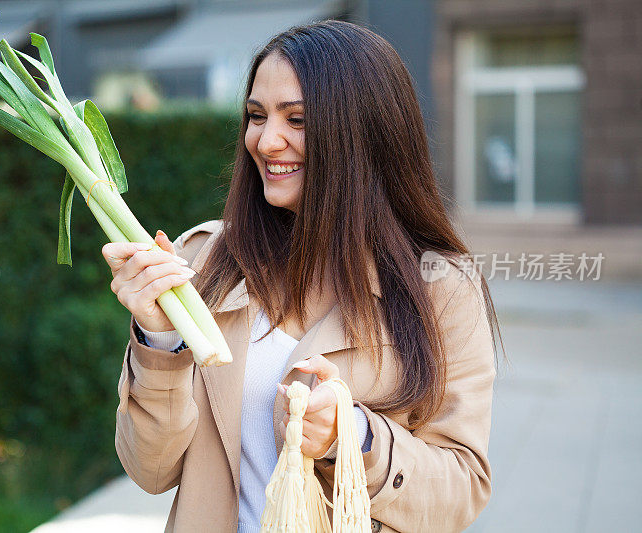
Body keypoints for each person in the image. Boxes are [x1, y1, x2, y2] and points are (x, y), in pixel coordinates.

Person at [103, 20, 502, 533]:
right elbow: (151, 470)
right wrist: (160, 339)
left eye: (298, 120)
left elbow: (462, 491)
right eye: (256, 116)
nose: (266, 141)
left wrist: (353, 436)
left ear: (365, 132)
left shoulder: (441, 288)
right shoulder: (202, 262)